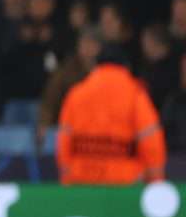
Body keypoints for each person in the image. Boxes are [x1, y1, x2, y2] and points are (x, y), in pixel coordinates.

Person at [56, 47, 167, 184]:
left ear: (96, 65)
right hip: (124, 181)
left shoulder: (76, 94)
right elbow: (150, 140)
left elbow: (64, 139)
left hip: (82, 179)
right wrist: (156, 179)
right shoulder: (135, 94)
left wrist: (67, 176)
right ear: (126, 66)